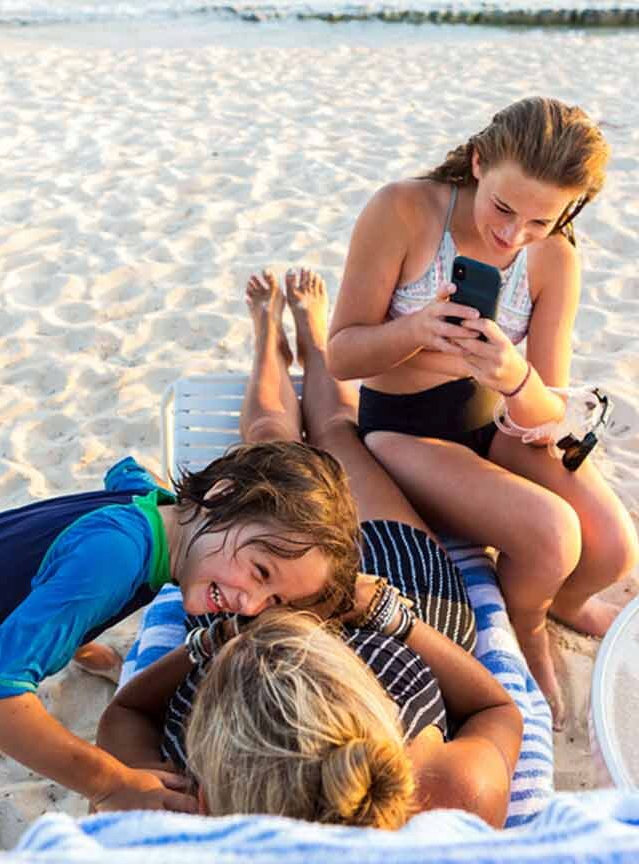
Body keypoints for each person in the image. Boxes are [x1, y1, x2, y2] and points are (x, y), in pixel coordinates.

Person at [97, 269, 522, 829]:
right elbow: (496, 708)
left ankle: (270, 342)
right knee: (337, 436)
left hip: (270, 614)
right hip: (389, 597)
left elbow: (127, 711)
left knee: (270, 451)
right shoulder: (442, 790)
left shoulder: (191, 801)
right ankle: (314, 343)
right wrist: (392, 619)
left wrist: (214, 643)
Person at [0, 438, 361, 830]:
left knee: (65, 602)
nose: (250, 604)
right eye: (262, 570)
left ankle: (71, 641)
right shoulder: (114, 558)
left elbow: (125, 473)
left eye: (273, 601)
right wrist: (113, 784)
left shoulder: (161, 509)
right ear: (222, 495)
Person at [326, 96, 639, 727]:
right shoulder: (403, 211)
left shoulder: (555, 258)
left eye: (538, 220)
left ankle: (561, 602)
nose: (511, 234)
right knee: (553, 536)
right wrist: (415, 329)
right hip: (403, 430)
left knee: (612, 551)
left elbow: (548, 401)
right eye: (502, 208)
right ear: (477, 163)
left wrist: (512, 375)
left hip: (497, 421)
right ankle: (526, 624)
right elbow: (341, 355)